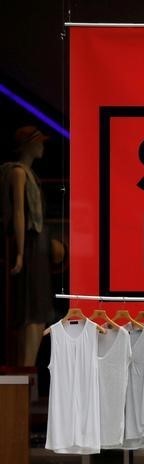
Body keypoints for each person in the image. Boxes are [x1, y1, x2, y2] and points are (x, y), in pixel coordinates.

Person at [1, 126, 54, 366]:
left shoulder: (30, 174)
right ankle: (25, 369)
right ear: (27, 145)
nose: (42, 147)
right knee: (31, 310)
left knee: (39, 310)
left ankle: (29, 369)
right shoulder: (19, 173)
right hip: (30, 244)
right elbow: (20, 213)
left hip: (38, 244)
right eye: (38, 142)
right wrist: (21, 253)